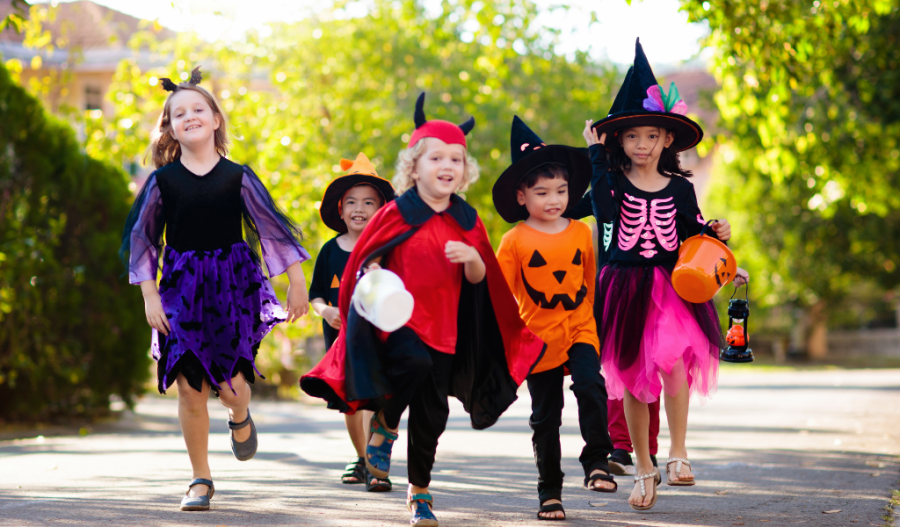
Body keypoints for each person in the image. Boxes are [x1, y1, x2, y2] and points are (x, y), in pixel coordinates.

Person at [301, 93, 545, 527]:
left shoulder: (467, 219)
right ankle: (387, 422)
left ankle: (419, 492)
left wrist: (471, 260)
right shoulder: (396, 212)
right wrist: (372, 268)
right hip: (398, 324)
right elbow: (366, 261)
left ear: (464, 169)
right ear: (414, 166)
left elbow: (479, 282)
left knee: (434, 413)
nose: (447, 165)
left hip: (447, 329)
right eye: (436, 158)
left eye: (456, 158)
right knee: (411, 362)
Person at [119, 67, 310, 511]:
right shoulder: (161, 182)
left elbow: (272, 230)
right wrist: (149, 295)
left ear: (216, 119)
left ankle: (239, 413)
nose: (189, 116)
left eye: (197, 109)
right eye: (178, 112)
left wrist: (296, 281)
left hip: (233, 287)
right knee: (190, 387)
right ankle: (200, 478)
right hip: (181, 290)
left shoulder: (237, 176)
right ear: (169, 127)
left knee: (231, 387)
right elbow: (143, 240)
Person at [583, 40, 749, 511]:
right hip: (625, 286)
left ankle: (678, 450)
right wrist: (596, 157)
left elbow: (692, 235)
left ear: (666, 139)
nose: (641, 145)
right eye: (631, 137)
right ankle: (642, 465)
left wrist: (720, 238)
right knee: (635, 380)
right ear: (619, 141)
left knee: (675, 365)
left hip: (671, 287)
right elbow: (601, 209)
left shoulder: (680, 187)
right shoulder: (612, 182)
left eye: (650, 136)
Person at [493, 117, 616, 521]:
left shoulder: (582, 231)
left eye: (561, 191)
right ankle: (550, 492)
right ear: (522, 196)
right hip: (537, 337)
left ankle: (597, 459)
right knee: (546, 417)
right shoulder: (514, 241)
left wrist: (597, 328)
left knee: (591, 386)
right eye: (542, 192)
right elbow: (497, 297)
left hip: (580, 327)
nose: (554, 199)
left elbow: (590, 285)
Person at [308, 152, 396, 491]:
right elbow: (317, 294)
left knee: (377, 398)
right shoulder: (330, 251)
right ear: (340, 209)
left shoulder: (387, 250)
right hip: (340, 339)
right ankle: (360, 456)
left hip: (378, 338)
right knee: (350, 402)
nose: (359, 209)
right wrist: (325, 311)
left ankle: (376, 464)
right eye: (352, 202)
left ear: (380, 210)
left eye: (369, 202)